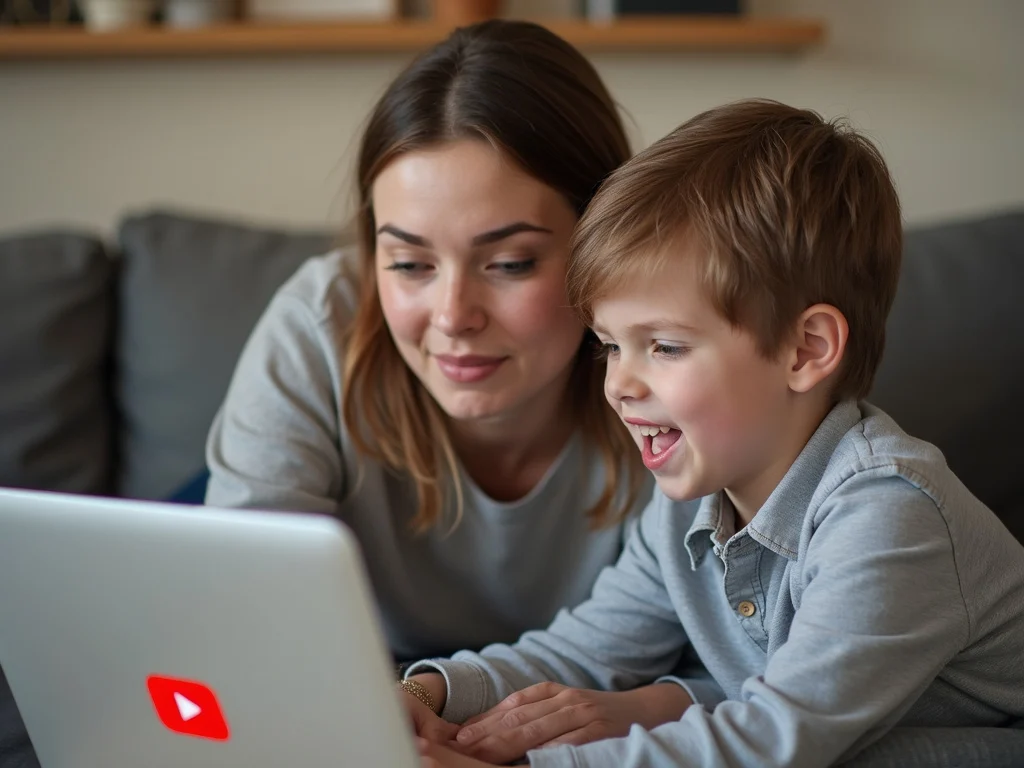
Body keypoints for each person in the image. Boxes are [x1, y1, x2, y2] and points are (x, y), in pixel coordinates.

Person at [401, 99, 1024, 768]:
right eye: (610, 346)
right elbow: (587, 650)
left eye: (663, 346)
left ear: (806, 349)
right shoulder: (687, 499)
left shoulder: (890, 513)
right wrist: (425, 693)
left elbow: (771, 742)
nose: (619, 384)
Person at [204, 20, 651, 667]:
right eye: (411, 264)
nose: (452, 317)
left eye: (510, 263)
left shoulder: (673, 363)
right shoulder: (318, 324)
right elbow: (249, 624)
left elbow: (713, 660)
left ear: (599, 244)